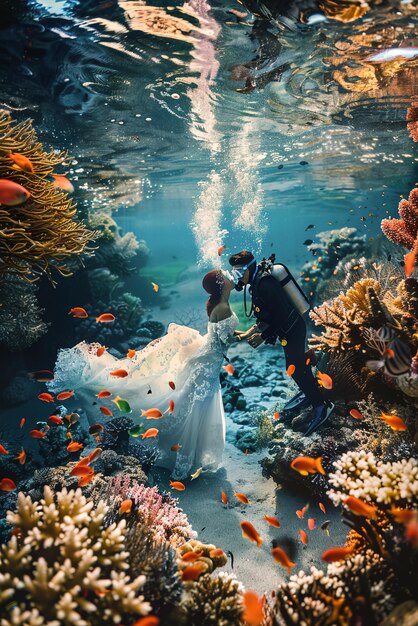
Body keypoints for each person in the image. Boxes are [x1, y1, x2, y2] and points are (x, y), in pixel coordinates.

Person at [48, 270, 239, 481]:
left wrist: (248, 334)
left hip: (209, 359)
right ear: (222, 283)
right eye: (227, 274)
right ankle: (182, 458)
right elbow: (224, 341)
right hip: (207, 362)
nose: (232, 275)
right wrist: (250, 336)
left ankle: (187, 457)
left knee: (192, 406)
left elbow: (223, 334)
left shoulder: (220, 305)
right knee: (190, 406)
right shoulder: (222, 307)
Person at [228, 250, 334, 436]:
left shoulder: (265, 283)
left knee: (295, 368)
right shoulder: (257, 282)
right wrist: (252, 331)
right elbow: (267, 313)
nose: (236, 277)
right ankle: (310, 392)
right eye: (233, 272)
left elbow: (283, 314)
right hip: (288, 329)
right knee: (298, 366)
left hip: (292, 328)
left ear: (248, 269)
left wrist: (263, 336)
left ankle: (322, 405)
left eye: (238, 272)